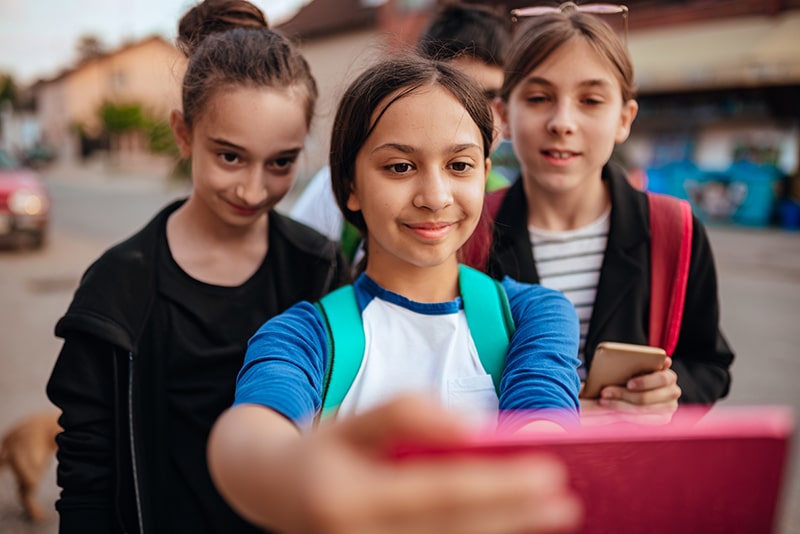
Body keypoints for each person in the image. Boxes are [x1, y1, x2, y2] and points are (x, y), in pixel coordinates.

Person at [208, 54, 583, 534]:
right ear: (349, 187)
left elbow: (545, 422)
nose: (435, 195)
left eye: (460, 165)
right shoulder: (302, 336)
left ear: (485, 173)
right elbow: (251, 435)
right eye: (400, 166)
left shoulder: (535, 316)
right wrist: (290, 471)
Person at [45, 1, 347, 532]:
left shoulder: (318, 269)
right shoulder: (117, 286)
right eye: (229, 156)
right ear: (184, 134)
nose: (254, 190)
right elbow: (87, 474)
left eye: (281, 162)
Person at [463, 2, 734, 423]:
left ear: (624, 118)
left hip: (632, 476)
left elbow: (709, 363)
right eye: (538, 98)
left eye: (590, 100)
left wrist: (669, 391)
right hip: (513, 475)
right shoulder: (468, 233)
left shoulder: (673, 228)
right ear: (504, 116)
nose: (562, 122)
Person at [289, 0, 515, 261]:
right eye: (400, 167)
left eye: (490, 95)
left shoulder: (508, 205)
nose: (475, 111)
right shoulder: (330, 192)